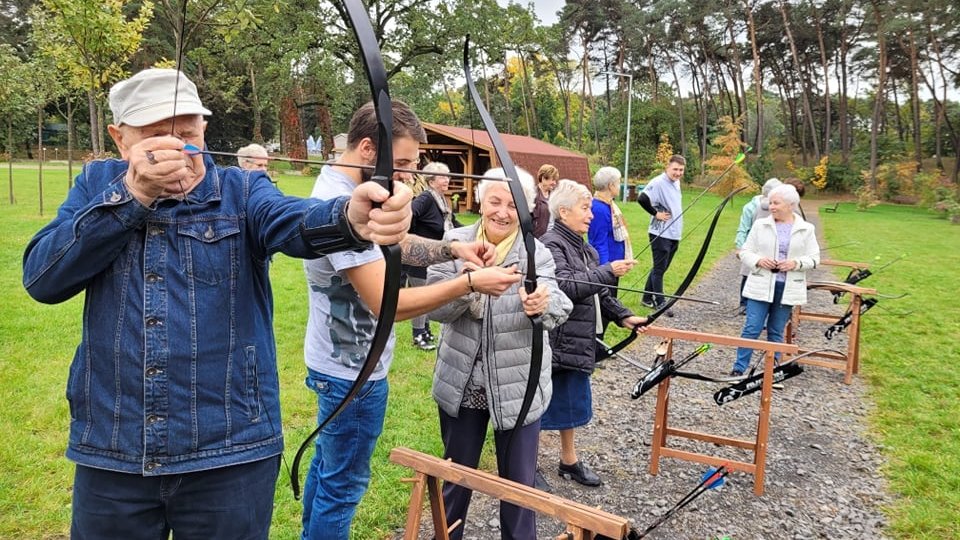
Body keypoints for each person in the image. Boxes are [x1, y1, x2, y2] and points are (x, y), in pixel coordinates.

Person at [20, 68, 414, 540]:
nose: (178, 151)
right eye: (154, 137)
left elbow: (294, 221)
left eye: (187, 134)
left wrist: (351, 215)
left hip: (231, 454)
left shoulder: (242, 191)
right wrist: (134, 195)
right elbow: (42, 278)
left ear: (204, 130)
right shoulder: (96, 185)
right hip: (114, 450)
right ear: (119, 139)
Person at [301, 101, 521, 540]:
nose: (405, 175)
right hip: (352, 374)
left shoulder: (355, 193)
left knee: (330, 469)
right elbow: (389, 306)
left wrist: (451, 250)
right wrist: (470, 283)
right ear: (368, 149)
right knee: (342, 486)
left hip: (341, 364)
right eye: (400, 163)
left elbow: (397, 239)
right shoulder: (339, 203)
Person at [426, 167, 572, 540]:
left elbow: (559, 305)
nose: (503, 212)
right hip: (462, 383)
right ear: (480, 201)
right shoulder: (454, 242)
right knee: (455, 480)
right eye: (495, 201)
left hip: (518, 386)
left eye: (513, 204)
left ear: (525, 209)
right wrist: (470, 285)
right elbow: (435, 309)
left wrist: (543, 303)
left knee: (519, 489)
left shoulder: (535, 251)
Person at [540, 180, 646, 490]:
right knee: (538, 404)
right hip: (555, 338)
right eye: (585, 208)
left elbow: (596, 291)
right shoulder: (550, 244)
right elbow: (568, 288)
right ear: (563, 212)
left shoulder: (583, 246)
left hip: (575, 341)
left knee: (572, 402)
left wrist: (624, 315)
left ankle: (568, 461)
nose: (590, 215)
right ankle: (525, 465)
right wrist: (609, 270)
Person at [731, 184, 820, 376]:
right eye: (770, 202)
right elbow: (744, 252)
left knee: (776, 331)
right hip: (760, 284)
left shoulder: (806, 229)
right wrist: (759, 260)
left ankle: (773, 372)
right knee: (752, 328)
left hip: (787, 287)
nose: (771, 206)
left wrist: (795, 263)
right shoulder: (760, 224)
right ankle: (738, 370)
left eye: (776, 203)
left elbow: (814, 258)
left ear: (790, 204)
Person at [405, 161, 463, 350]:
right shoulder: (426, 198)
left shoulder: (442, 202)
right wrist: (412, 236)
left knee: (429, 295)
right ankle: (418, 335)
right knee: (421, 297)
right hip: (420, 257)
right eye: (443, 176)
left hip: (435, 258)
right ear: (431, 181)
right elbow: (410, 213)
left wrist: (473, 233)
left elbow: (454, 224)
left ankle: (426, 330)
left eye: (448, 176)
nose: (447, 180)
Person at [637, 155, 685, 309]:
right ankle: (660, 302)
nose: (678, 173)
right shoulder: (658, 182)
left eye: (681, 170)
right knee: (659, 269)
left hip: (673, 233)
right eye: (675, 169)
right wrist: (655, 213)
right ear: (667, 167)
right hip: (660, 233)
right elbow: (642, 198)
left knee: (661, 267)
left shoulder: (676, 182)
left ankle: (646, 298)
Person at [735, 178, 783, 315]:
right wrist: (740, 247)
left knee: (768, 273)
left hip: (771, 244)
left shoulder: (780, 206)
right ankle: (744, 304)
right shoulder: (751, 206)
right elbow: (743, 228)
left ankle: (767, 303)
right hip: (752, 244)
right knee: (747, 273)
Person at [533, 164, 559, 237]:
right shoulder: (532, 195)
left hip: (551, 238)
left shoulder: (554, 196)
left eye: (555, 180)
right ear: (543, 178)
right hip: (537, 239)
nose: (554, 183)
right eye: (552, 180)